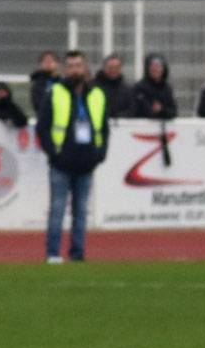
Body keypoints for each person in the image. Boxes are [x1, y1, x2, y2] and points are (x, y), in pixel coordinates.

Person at [37, 51, 108, 264]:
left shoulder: (97, 94)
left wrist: (100, 154)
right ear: (65, 69)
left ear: (85, 68)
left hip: (86, 161)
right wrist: (53, 152)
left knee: (81, 211)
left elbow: (103, 128)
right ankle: (53, 253)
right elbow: (43, 127)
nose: (74, 70)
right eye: (70, 66)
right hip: (61, 162)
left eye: (78, 65)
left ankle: (77, 253)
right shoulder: (55, 92)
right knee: (57, 209)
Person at [129, 55, 178, 122]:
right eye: (153, 66)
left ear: (163, 69)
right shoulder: (139, 88)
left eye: (158, 66)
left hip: (163, 129)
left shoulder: (167, 88)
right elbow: (134, 111)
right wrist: (151, 110)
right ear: (148, 69)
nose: (155, 69)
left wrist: (161, 110)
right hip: (142, 128)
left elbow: (173, 112)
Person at [93, 54, 134, 118]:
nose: (113, 70)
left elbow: (131, 110)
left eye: (117, 67)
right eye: (110, 67)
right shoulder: (94, 87)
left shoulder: (127, 89)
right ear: (104, 68)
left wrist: (118, 117)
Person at [29, 50, 60, 118]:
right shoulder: (37, 83)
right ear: (40, 64)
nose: (48, 64)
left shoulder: (61, 82)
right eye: (45, 61)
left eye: (51, 61)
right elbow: (37, 105)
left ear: (57, 64)